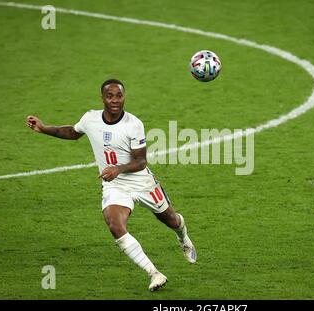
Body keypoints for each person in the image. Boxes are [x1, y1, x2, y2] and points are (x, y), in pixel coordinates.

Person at [26, 79, 196, 292]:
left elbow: (141, 162)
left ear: (124, 97)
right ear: (102, 98)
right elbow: (72, 132)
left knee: (172, 220)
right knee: (114, 224)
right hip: (115, 186)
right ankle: (154, 273)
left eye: (119, 96)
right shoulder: (90, 119)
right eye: (110, 96)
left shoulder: (133, 124)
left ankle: (183, 238)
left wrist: (117, 169)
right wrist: (44, 128)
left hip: (141, 181)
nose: (115, 100)